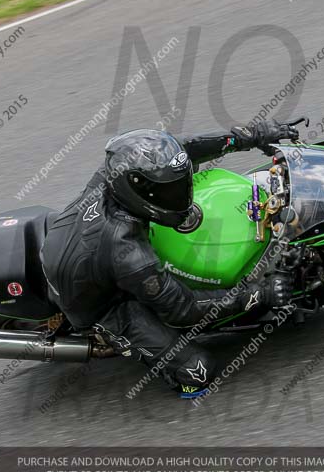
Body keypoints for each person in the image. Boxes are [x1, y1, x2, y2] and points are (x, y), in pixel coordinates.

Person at [41, 119, 297, 398]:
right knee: (197, 372)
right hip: (103, 305)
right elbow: (182, 308)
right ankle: (124, 342)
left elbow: (186, 149)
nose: (180, 194)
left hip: (70, 240)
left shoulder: (118, 170)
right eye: (168, 191)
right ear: (139, 192)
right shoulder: (126, 250)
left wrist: (251, 136)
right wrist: (259, 293)